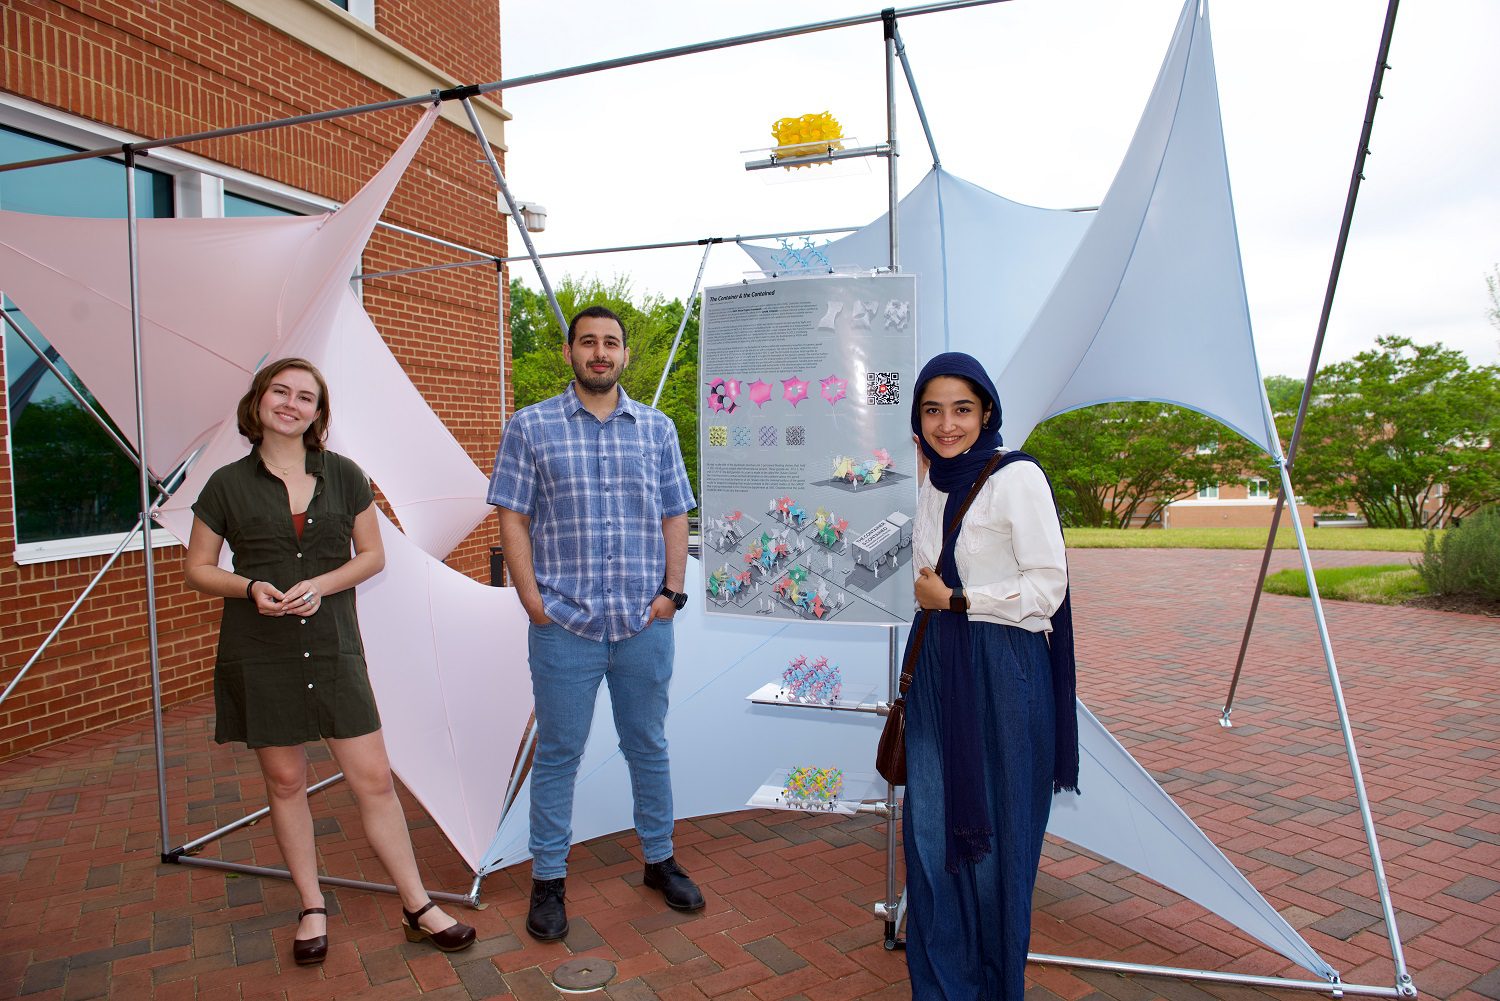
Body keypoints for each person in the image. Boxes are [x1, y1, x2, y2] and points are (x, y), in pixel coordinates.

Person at [184, 358, 476, 967]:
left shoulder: (345, 476)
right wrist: (249, 588)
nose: (291, 404)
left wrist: (320, 583)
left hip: (334, 646)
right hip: (259, 650)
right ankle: (311, 906)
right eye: (280, 392)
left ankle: (417, 904)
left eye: (305, 397)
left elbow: (372, 556)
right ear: (259, 401)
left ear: (319, 414)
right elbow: (199, 568)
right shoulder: (225, 485)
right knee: (286, 783)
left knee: (373, 779)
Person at [489, 305, 701, 941]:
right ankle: (548, 879)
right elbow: (512, 517)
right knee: (558, 753)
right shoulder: (531, 427)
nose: (600, 352)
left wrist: (672, 594)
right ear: (569, 352)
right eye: (588, 342)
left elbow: (674, 515)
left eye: (611, 343)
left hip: (644, 623)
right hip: (564, 626)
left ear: (625, 355)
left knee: (649, 745)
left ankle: (659, 862)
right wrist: (532, 601)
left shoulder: (657, 429)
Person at [903, 351, 1079, 1000]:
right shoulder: (935, 479)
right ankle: (944, 985)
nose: (947, 423)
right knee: (928, 838)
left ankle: (993, 986)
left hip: (1005, 674)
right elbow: (926, 572)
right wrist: (942, 597)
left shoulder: (1017, 478)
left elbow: (1048, 587)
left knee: (995, 848)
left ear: (987, 413)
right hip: (938, 669)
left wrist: (960, 600)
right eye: (933, 409)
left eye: (962, 409)